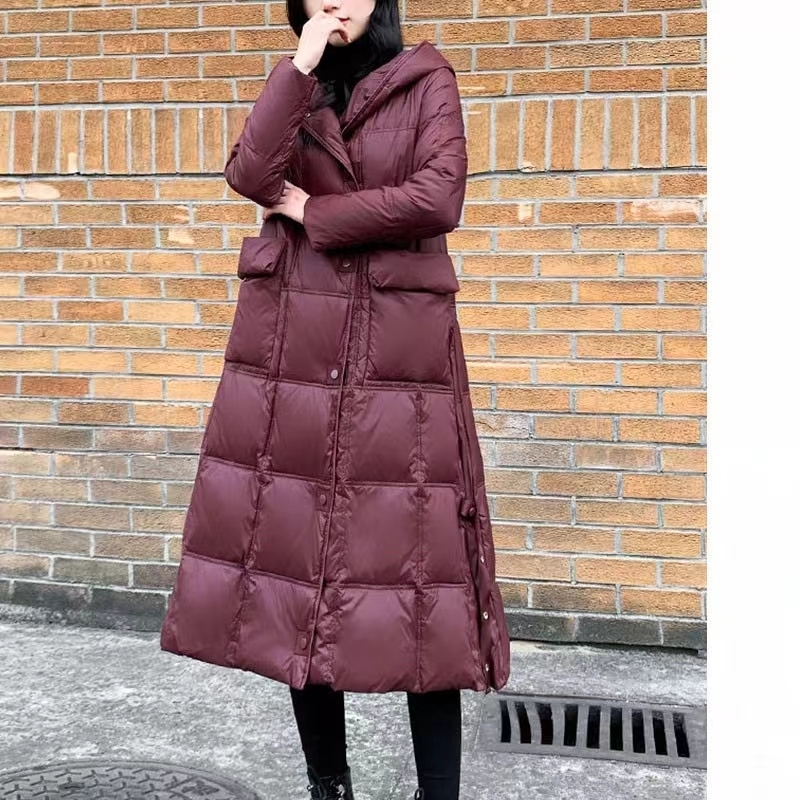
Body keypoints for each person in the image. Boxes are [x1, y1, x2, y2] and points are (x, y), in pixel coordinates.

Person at [160, 2, 511, 799]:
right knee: (297, 575)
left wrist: (313, 211)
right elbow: (250, 174)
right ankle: (330, 785)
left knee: (425, 589)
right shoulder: (301, 86)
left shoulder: (427, 79)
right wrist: (301, 63)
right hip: (296, 351)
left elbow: (437, 198)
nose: (336, 1)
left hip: (401, 359)